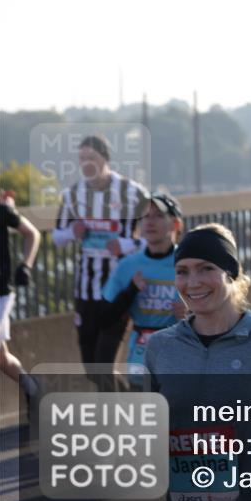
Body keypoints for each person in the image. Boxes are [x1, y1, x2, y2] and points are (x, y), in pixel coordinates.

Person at [145, 223, 251, 501]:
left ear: (231, 273)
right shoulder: (160, 347)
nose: (192, 282)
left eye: (206, 268)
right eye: (182, 271)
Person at [52, 134, 149, 373]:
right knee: (91, 367)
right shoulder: (73, 194)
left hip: (118, 287)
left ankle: (116, 409)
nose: (86, 164)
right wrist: (72, 231)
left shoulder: (132, 192)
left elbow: (154, 240)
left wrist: (126, 245)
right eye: (82, 158)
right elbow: (57, 237)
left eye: (92, 158)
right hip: (85, 289)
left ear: (105, 158)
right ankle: (126, 403)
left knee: (104, 364)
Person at [100, 193, 187, 389]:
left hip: (180, 353)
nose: (150, 222)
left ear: (175, 224)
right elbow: (104, 318)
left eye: (158, 216)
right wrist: (131, 290)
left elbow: (219, 310)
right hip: (140, 355)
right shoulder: (128, 265)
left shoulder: (189, 263)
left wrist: (191, 314)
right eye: (145, 216)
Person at [0, 194, 40, 397]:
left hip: (0, 294)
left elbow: (32, 234)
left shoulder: (2, 211)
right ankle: (34, 391)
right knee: (2, 358)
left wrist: (26, 265)